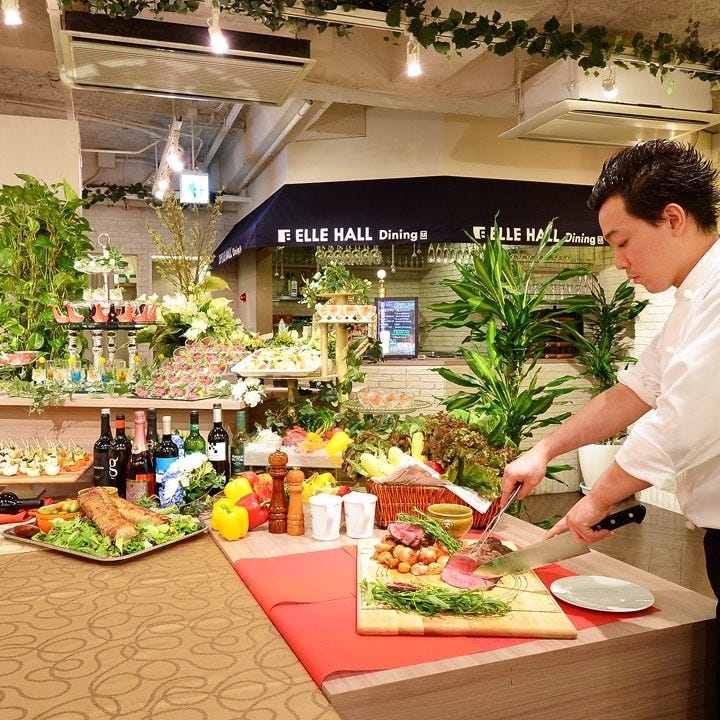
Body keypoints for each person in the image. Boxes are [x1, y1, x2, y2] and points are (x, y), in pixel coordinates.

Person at [500, 139, 720, 624]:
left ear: (673, 219)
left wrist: (597, 500)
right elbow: (634, 391)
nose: (619, 261)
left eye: (622, 242)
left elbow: (679, 425)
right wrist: (544, 451)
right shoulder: (692, 301)